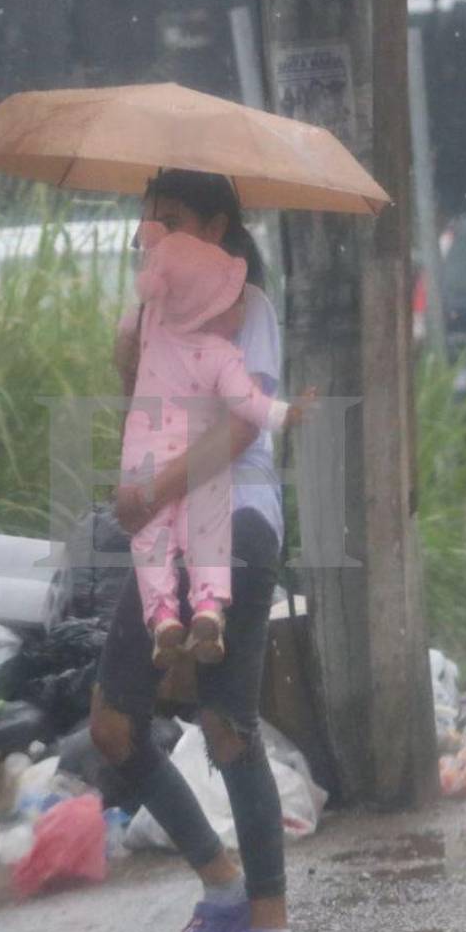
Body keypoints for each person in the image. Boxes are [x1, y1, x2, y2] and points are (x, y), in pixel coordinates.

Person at [91, 168, 295, 932]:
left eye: (169, 220)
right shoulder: (157, 315)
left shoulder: (254, 312)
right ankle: (223, 883)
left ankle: (267, 923)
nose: (152, 236)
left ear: (215, 231)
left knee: (225, 725)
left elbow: (240, 428)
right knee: (113, 726)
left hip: (235, 521)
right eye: (146, 222)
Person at [122, 222, 307, 671]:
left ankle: (163, 615)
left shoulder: (155, 333)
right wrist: (289, 415)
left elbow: (238, 428)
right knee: (207, 533)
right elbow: (251, 406)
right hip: (191, 472)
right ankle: (207, 606)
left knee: (151, 546)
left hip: (148, 466)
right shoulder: (219, 354)